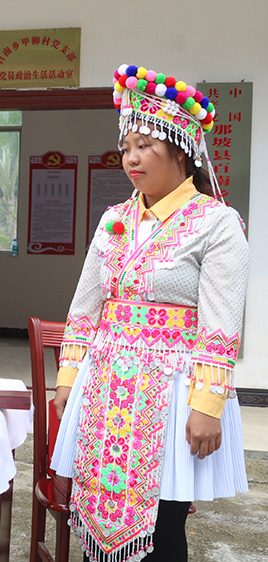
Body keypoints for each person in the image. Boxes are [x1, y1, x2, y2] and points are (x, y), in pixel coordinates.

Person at [50, 64, 249, 561]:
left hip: (173, 392)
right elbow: (84, 308)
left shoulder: (217, 223)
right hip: (105, 388)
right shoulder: (113, 219)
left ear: (180, 148)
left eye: (144, 145)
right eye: (126, 147)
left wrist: (207, 405)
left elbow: (221, 323)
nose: (131, 158)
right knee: (95, 508)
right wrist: (68, 376)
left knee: (164, 523)